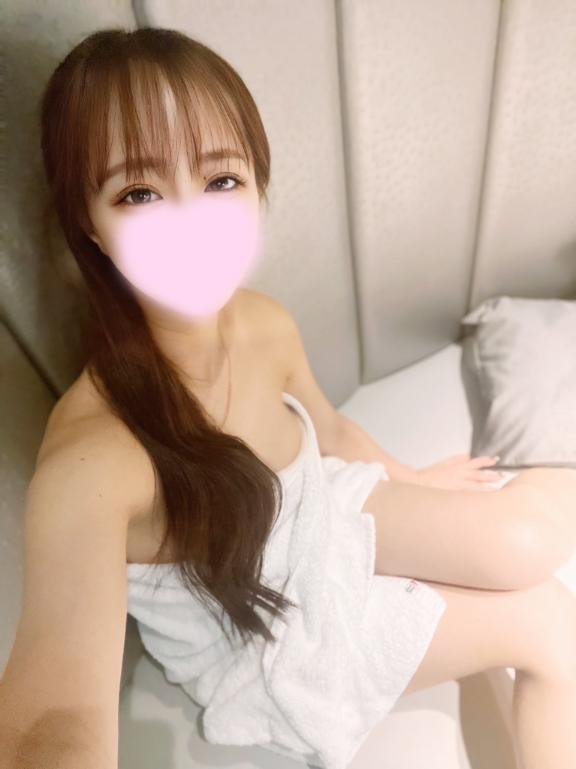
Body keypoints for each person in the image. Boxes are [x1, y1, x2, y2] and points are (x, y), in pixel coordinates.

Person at [3, 25, 576, 769]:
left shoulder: (263, 321)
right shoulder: (94, 458)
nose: (192, 223)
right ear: (90, 225)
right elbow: (52, 717)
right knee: (551, 621)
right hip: (270, 636)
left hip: (319, 508)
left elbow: (329, 430)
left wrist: (412, 479)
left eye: (221, 180)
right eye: (140, 192)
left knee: (529, 535)